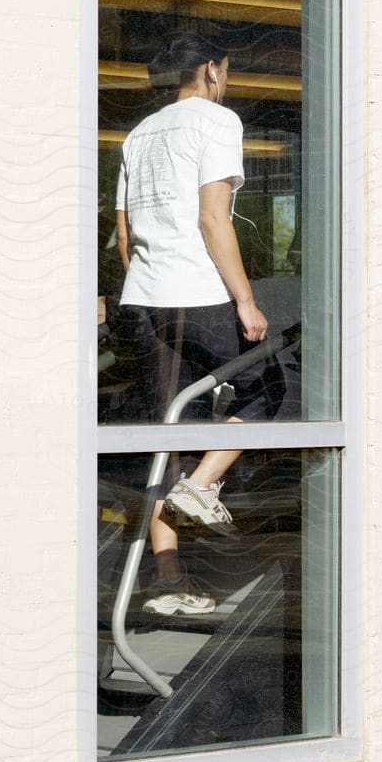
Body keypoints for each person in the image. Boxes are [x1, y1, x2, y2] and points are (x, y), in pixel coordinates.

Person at [115, 31, 271, 617]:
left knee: (166, 434)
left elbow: (125, 236)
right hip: (198, 290)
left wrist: (148, 285)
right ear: (212, 69)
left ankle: (169, 581)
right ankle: (203, 487)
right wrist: (245, 299)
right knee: (267, 388)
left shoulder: (138, 134)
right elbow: (213, 217)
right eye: (224, 71)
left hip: (145, 299)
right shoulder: (216, 120)